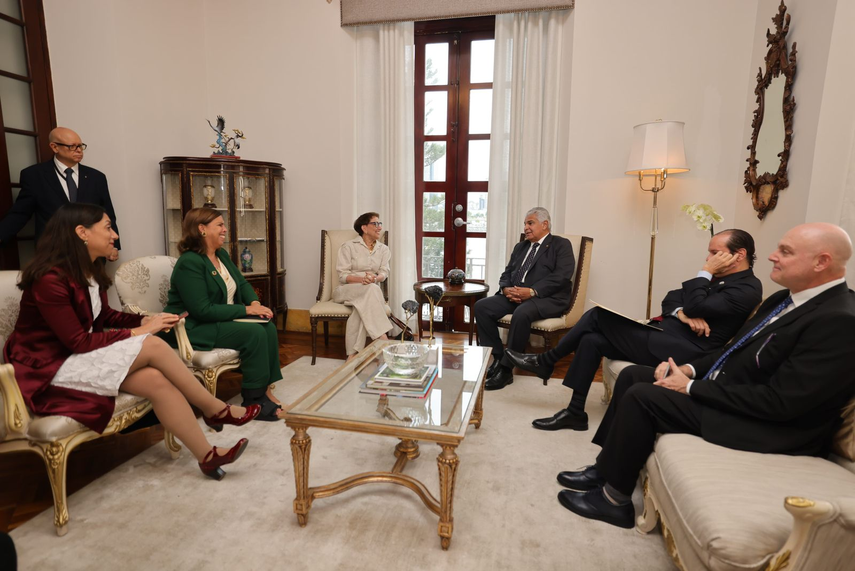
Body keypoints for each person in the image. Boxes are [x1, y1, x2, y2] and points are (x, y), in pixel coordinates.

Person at [556, 223, 855, 529]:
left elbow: (782, 403)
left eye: (785, 251)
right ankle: (605, 470)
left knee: (645, 398)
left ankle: (613, 502)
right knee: (634, 375)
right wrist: (689, 368)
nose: (772, 256)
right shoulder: (782, 300)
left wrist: (690, 387)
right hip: (738, 393)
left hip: (774, 427)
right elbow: (733, 350)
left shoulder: (839, 320)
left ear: (822, 261)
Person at [3, 204, 259, 480]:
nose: (114, 235)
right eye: (108, 227)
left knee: (155, 381)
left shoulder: (88, 270)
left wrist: (145, 320)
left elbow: (105, 315)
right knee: (154, 344)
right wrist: (142, 331)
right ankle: (215, 409)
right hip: (49, 365)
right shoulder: (49, 279)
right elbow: (77, 341)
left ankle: (207, 455)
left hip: (77, 355)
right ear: (82, 232)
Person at [507, 229, 762, 431]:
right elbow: (673, 297)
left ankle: (546, 361)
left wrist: (705, 274)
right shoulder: (717, 279)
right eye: (709, 254)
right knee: (593, 340)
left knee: (596, 316)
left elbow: (695, 301)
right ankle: (575, 412)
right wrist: (682, 313)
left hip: (687, 351)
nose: (708, 259)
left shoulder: (747, 288)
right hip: (668, 334)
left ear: (738, 255)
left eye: (715, 252)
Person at [162, 207, 283, 421]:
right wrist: (247, 310)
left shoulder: (221, 254)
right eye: (219, 225)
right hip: (193, 326)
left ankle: (264, 391)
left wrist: (255, 303)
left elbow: (242, 283)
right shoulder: (189, 262)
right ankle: (253, 400)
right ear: (202, 229)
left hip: (219, 318)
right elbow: (202, 310)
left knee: (267, 326)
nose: (225, 229)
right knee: (253, 334)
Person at [474, 207, 575, 390]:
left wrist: (532, 291)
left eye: (530, 223)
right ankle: (498, 358)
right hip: (515, 295)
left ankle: (506, 370)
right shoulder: (521, 246)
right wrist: (505, 289)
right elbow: (508, 272)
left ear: (545, 224)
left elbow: (562, 276)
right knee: (482, 307)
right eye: (525, 224)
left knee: (522, 313)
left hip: (546, 298)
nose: (526, 228)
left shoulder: (561, 245)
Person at [0, 127, 121, 261]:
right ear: (55, 147)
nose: (79, 150)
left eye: (80, 146)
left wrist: (112, 245)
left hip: (91, 251)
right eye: (72, 147)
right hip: (53, 252)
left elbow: (107, 213)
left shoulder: (96, 177)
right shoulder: (34, 175)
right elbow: (20, 213)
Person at [334, 212, 392, 361]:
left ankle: (352, 355)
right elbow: (343, 276)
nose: (380, 227)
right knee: (372, 290)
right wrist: (362, 280)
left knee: (362, 306)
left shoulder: (384, 250)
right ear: (364, 228)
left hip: (369, 290)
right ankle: (382, 337)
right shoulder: (348, 247)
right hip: (346, 290)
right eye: (376, 224)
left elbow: (384, 273)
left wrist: (374, 278)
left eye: (380, 224)